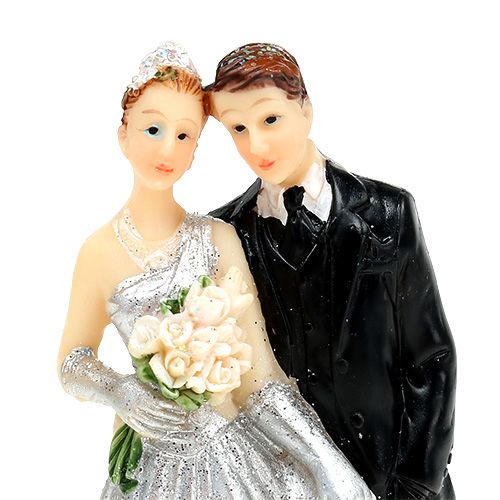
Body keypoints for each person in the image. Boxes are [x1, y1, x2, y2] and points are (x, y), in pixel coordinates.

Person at [58, 42, 375, 499]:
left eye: (184, 136)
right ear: (123, 134)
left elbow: (260, 378)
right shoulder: (98, 252)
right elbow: (72, 360)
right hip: (149, 465)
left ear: (196, 151)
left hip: (228, 455)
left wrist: (324, 461)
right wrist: (120, 391)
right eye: (152, 129)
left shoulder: (218, 239)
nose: (167, 148)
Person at [207, 42, 456, 500]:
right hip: (287, 482)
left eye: (270, 119)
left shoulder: (387, 213)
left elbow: (431, 358)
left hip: (391, 476)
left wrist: (415, 483)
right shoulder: (225, 234)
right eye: (237, 128)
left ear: (306, 109)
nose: (256, 145)